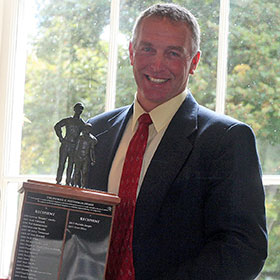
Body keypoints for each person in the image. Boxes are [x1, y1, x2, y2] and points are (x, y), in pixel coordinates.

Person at [87, 3, 267, 280]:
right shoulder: (95, 132)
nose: (157, 65)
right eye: (147, 49)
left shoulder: (227, 139)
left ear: (193, 63)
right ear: (132, 53)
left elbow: (243, 250)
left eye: (173, 53)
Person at [54, 102, 85, 185]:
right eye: (78, 108)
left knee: (71, 165)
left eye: (81, 109)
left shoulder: (82, 124)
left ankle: (68, 182)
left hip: (74, 146)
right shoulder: (68, 120)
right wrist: (61, 137)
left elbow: (86, 134)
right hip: (65, 144)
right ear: (74, 109)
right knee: (61, 163)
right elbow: (57, 126)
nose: (80, 110)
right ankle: (58, 180)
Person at [72, 123, 98, 187]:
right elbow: (76, 148)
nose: (87, 130)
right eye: (86, 129)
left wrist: (93, 159)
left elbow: (91, 150)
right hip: (78, 156)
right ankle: (75, 184)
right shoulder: (80, 138)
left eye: (88, 129)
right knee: (76, 171)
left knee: (84, 172)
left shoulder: (91, 139)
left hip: (86, 157)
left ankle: (83, 186)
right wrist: (74, 157)